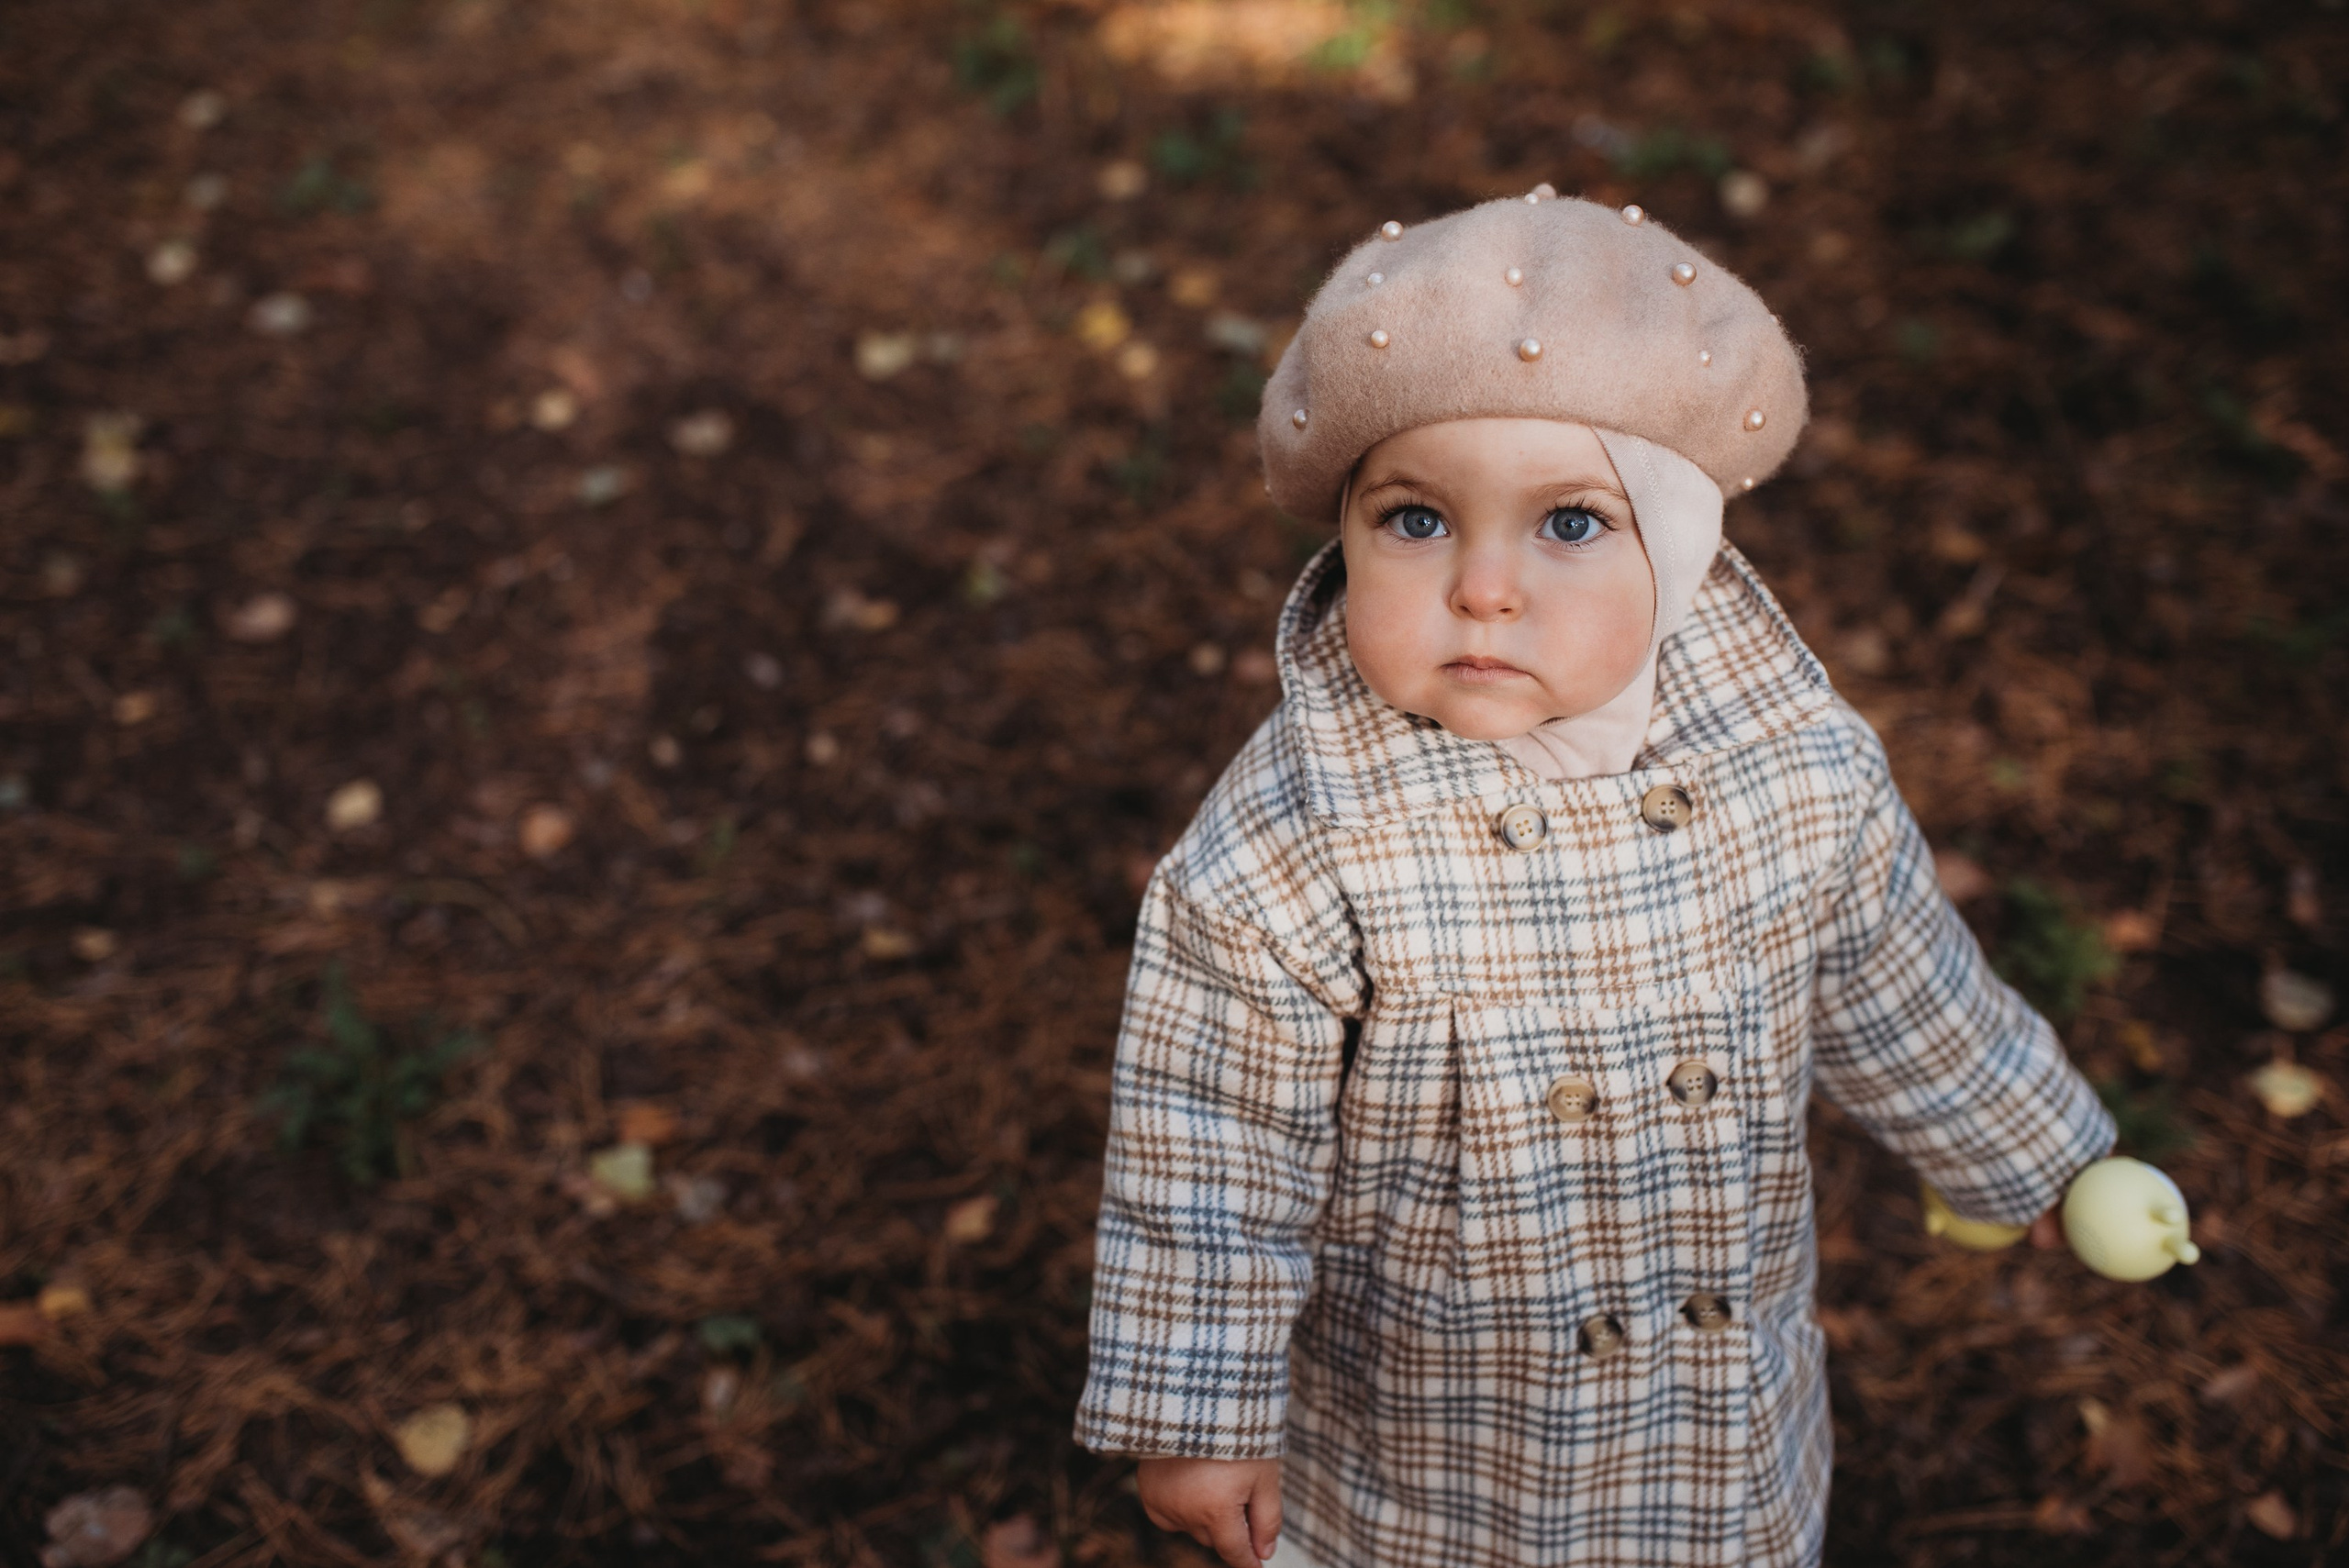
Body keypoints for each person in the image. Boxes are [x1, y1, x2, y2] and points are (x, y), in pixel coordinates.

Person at [1074, 192, 2113, 1568]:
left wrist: (2028, 1151)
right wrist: (1199, 1408)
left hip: (1711, 1416)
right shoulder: (1297, 840)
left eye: (1568, 523)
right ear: (1346, 532)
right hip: (1437, 1436)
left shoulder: (1793, 772)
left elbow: (1893, 977)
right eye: (1416, 520)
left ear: (1678, 553)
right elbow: (1209, 1144)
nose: (1485, 586)